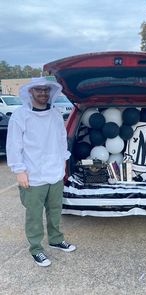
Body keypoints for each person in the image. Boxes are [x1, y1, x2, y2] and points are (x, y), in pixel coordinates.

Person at [6, 77, 76, 267]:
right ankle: (36, 248)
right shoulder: (20, 115)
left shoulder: (55, 113)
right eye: (39, 90)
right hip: (33, 173)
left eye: (46, 90)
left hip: (54, 171)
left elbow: (62, 139)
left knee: (55, 210)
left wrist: (63, 163)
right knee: (34, 215)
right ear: (30, 92)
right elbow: (13, 144)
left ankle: (55, 239)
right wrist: (19, 170)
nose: (43, 93)